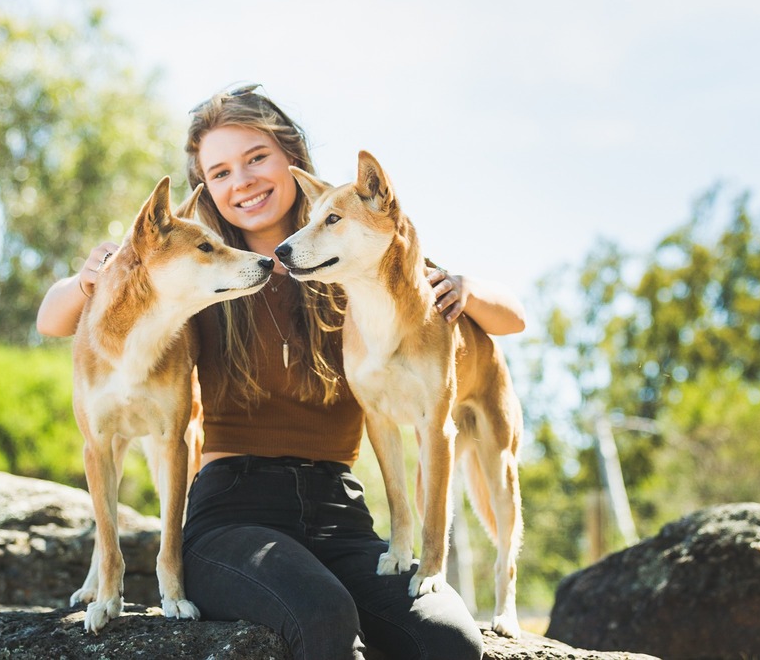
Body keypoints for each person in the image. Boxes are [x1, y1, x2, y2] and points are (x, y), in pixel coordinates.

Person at [37, 83, 526, 660]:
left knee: (448, 642)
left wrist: (464, 288)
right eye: (218, 173)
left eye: (256, 158)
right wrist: (92, 275)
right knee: (323, 617)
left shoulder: (355, 247)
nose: (240, 181)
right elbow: (53, 319)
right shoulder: (201, 271)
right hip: (232, 515)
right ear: (207, 189)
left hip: (338, 511)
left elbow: (512, 318)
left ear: (291, 157)